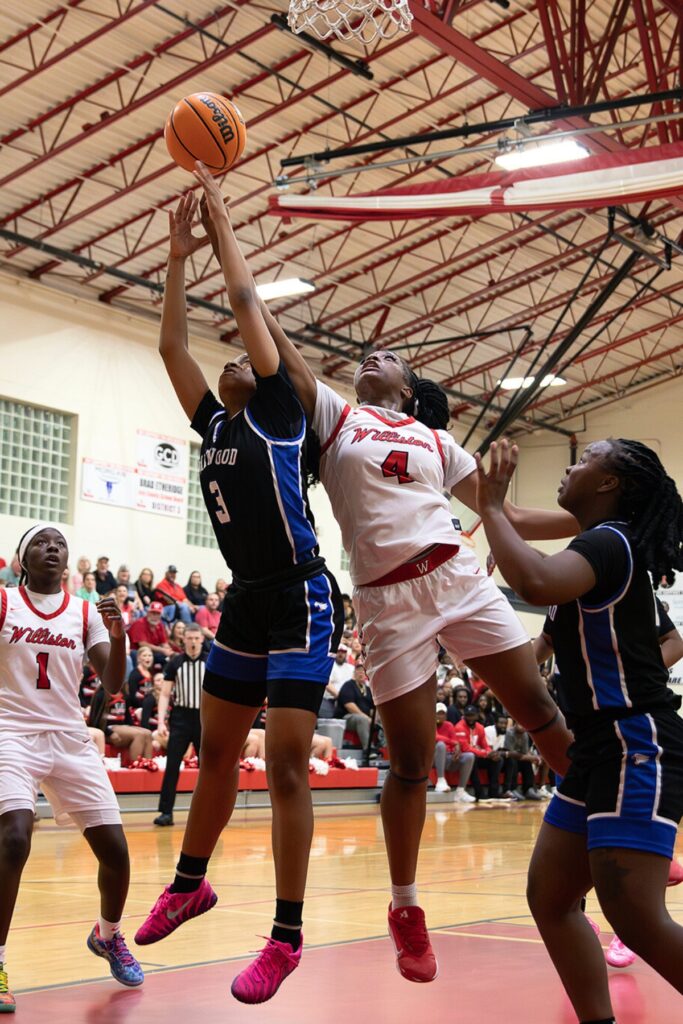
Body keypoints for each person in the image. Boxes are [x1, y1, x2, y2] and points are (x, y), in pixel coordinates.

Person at [201, 188, 580, 986]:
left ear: (409, 388)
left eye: (389, 358)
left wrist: (597, 520)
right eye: (367, 357)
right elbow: (254, 314)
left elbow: (505, 514)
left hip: (456, 576)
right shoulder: (334, 415)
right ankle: (405, 906)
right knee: (408, 761)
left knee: (541, 711)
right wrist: (224, 229)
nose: (373, 357)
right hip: (385, 599)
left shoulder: (436, 442)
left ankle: (614, 824)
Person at [134, 182, 343, 1007]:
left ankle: (285, 937)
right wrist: (176, 258)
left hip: (301, 598)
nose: (228, 360)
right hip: (247, 600)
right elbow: (170, 346)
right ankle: (190, 883)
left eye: (241, 359)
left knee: (285, 765)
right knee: (214, 754)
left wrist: (223, 229)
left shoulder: (279, 413)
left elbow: (248, 304)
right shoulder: (214, 423)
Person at [476, 436, 683, 1023]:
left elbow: (535, 581)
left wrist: (490, 507)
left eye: (586, 459)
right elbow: (540, 611)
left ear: (610, 483)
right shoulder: (592, 552)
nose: (571, 467)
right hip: (596, 749)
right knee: (550, 897)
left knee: (635, 915)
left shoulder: (609, 543)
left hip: (635, 741)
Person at [0, 525, 144, 1011]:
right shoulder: (5, 602)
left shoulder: (85, 613)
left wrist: (119, 637)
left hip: (68, 736)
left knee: (116, 851)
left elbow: (114, 682)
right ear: (22, 559)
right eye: (41, 542)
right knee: (14, 837)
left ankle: (108, 935)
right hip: (11, 732)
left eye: (59, 543)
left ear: (68, 560)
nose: (52, 548)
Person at [534, 591, 683, 968]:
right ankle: (599, 912)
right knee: (550, 894)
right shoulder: (561, 596)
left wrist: (633, 672)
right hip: (582, 738)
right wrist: (500, 667)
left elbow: (674, 641)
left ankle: (631, 918)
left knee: (633, 904)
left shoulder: (617, 574)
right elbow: (543, 642)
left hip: (631, 737)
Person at [153, 624, 206, 826]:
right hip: (181, 718)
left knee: (207, 768)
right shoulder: (175, 662)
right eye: (190, 638)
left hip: (203, 718)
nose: (193, 642)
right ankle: (166, 812)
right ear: (183, 640)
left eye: (196, 638)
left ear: (202, 639)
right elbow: (165, 693)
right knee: (172, 765)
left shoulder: (210, 661)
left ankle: (210, 812)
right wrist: (161, 721)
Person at [433, 702, 475, 801]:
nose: (440, 716)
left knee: (469, 756)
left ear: (446, 715)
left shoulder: (449, 725)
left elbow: (455, 741)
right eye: (438, 713)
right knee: (441, 745)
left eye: (442, 714)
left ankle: (460, 791)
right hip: (433, 758)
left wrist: (456, 750)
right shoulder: (430, 725)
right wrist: (454, 743)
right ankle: (440, 781)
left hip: (448, 757)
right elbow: (436, 737)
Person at [336, 664, 375, 750]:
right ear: (354, 673)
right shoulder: (348, 685)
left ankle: (383, 746)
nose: (361, 673)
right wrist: (367, 718)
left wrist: (375, 718)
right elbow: (349, 706)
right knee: (362, 719)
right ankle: (369, 749)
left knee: (383, 719)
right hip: (347, 717)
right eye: (359, 671)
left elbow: (372, 708)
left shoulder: (368, 689)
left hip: (366, 717)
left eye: (363, 671)